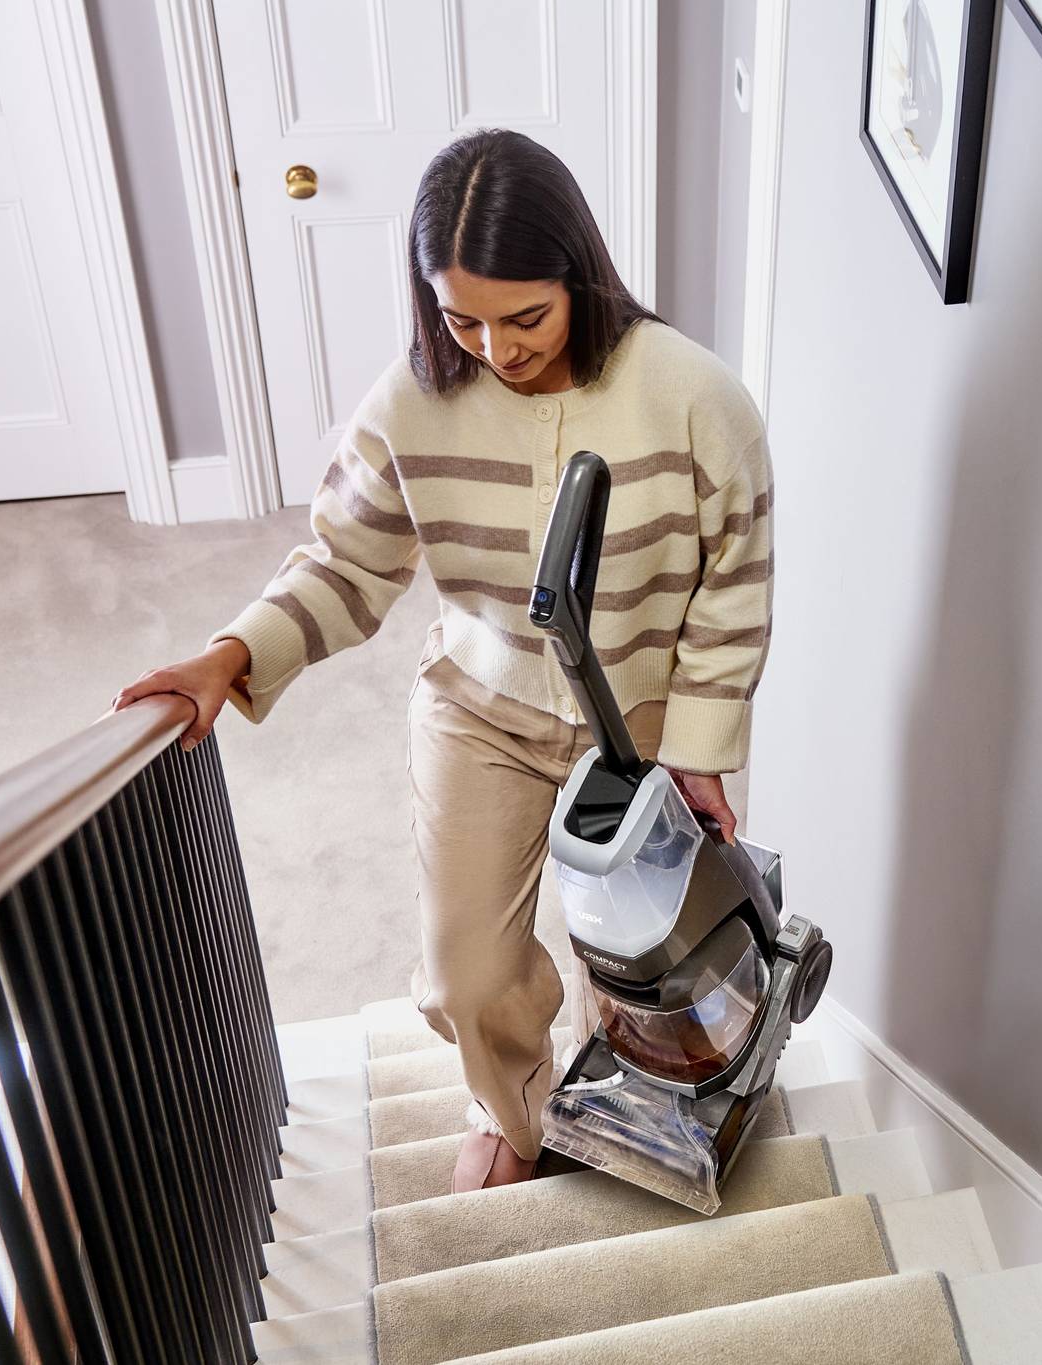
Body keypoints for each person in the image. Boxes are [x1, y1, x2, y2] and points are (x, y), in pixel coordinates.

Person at [112, 129, 774, 1192]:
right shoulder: (412, 400)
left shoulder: (697, 397)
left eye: (524, 317)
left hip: (639, 730)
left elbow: (735, 582)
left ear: (579, 275)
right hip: (482, 710)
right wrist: (228, 652)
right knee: (466, 977)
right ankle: (511, 1110)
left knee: (653, 959)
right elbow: (343, 563)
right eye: (459, 317)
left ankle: (661, 1097)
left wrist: (698, 748)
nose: (494, 349)